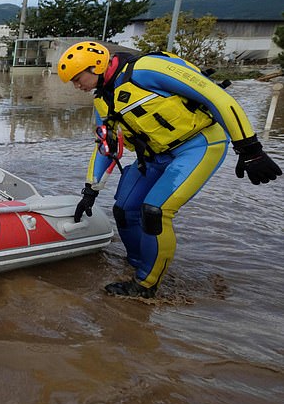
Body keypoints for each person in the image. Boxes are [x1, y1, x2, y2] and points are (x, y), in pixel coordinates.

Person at [57, 41, 281, 298]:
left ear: (95, 66)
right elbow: (106, 147)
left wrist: (250, 149)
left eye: (77, 78)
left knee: (155, 211)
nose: (76, 86)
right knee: (124, 209)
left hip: (198, 144)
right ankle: (138, 263)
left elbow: (218, 98)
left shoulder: (147, 70)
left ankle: (145, 285)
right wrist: (91, 190)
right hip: (155, 156)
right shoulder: (103, 102)